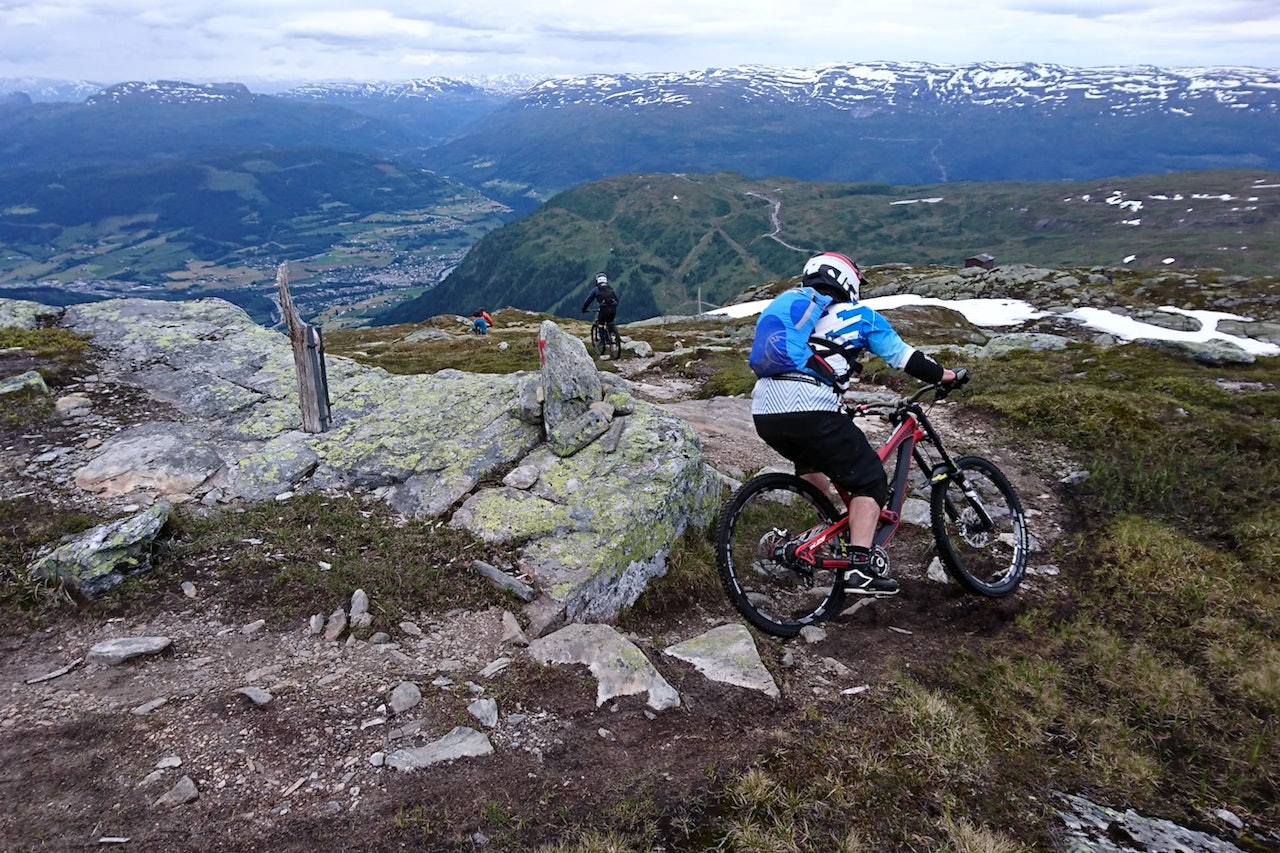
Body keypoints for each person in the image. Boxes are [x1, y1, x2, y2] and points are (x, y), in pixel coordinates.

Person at [751, 252, 959, 597]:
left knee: (815, 468)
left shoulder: (798, 316)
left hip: (765, 410)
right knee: (870, 480)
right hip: (810, 407)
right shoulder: (859, 315)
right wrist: (946, 375)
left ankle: (809, 544)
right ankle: (860, 568)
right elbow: (905, 358)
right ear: (848, 280)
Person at [580, 272, 619, 342]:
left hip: (604, 309)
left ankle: (603, 340)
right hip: (613, 308)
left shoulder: (596, 289)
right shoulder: (610, 288)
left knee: (601, 324)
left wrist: (584, 309)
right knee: (610, 322)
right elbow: (617, 299)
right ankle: (614, 337)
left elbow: (588, 300)